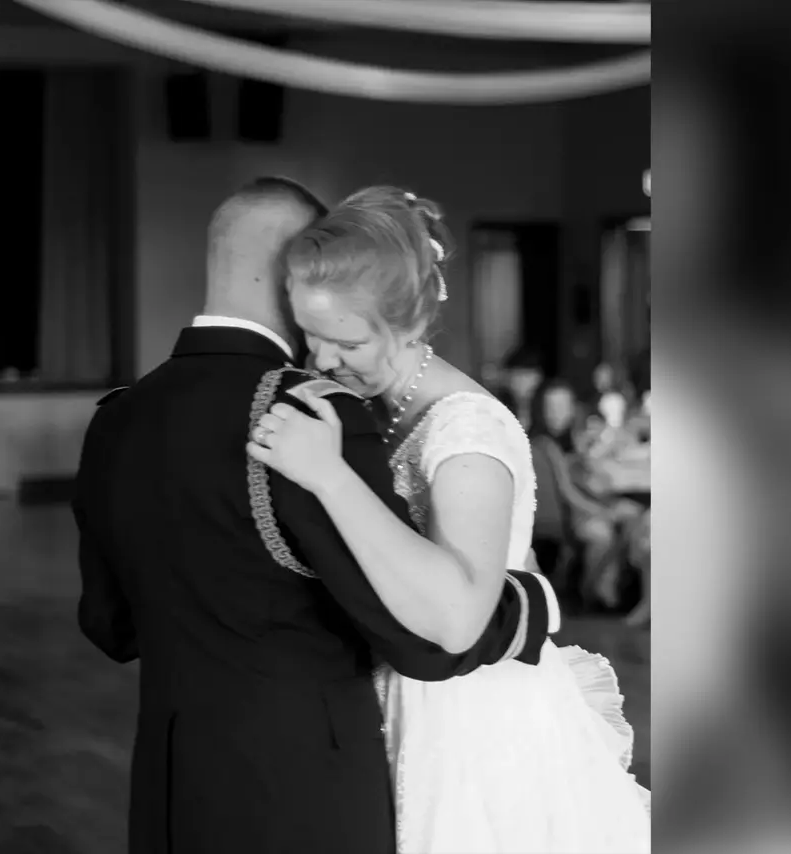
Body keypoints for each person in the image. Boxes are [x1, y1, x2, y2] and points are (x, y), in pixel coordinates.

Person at [72, 177, 558, 854]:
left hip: (168, 780)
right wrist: (530, 599)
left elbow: (110, 625)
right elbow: (420, 640)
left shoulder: (116, 416)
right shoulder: (303, 411)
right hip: (303, 790)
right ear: (290, 272)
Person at [249, 186, 650, 853]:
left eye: (343, 339)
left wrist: (327, 475)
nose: (319, 360)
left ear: (408, 326)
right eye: (309, 336)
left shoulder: (468, 434)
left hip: (467, 724)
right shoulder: (372, 400)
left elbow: (461, 616)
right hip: (389, 694)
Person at [530, 378, 644, 609]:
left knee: (635, 515)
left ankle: (620, 589)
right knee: (602, 533)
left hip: (592, 503)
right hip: (572, 513)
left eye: (562, 407)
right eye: (550, 407)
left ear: (572, 408)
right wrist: (602, 511)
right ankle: (592, 593)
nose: (556, 414)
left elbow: (591, 477)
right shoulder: (545, 444)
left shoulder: (575, 438)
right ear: (540, 409)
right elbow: (567, 492)